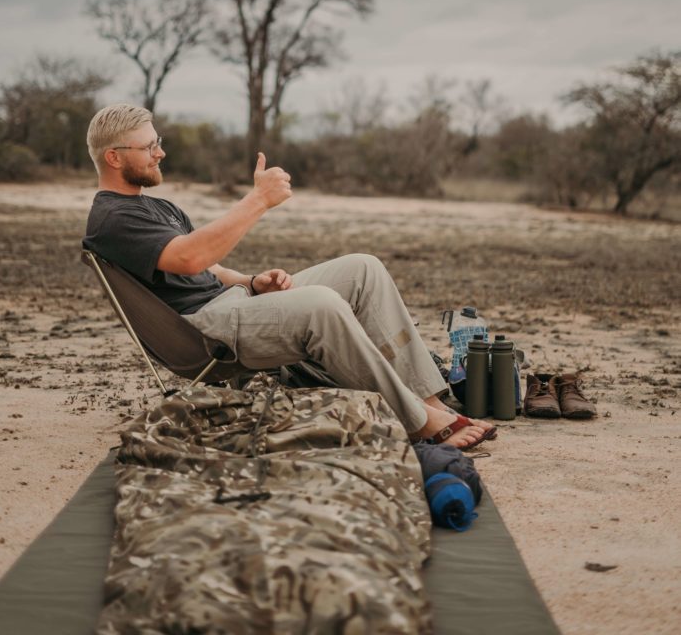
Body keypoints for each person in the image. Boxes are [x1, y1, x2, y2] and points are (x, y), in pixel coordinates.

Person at [84, 104, 497, 451]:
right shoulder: (113, 219)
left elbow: (209, 269)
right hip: (206, 332)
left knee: (363, 268)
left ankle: (426, 400)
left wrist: (251, 281)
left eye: (159, 142)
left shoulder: (156, 207)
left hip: (236, 306)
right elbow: (191, 258)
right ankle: (417, 422)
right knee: (322, 304)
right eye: (150, 145)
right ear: (114, 157)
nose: (160, 153)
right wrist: (259, 199)